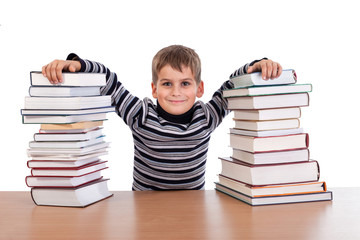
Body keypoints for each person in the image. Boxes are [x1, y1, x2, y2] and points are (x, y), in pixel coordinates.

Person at [42, 45, 282, 191]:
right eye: (167, 84)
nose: (176, 92)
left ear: (199, 89)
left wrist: (257, 65)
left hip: (193, 206)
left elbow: (232, 86)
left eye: (185, 83)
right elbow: (108, 81)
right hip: (144, 206)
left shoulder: (206, 117)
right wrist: (76, 63)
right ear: (155, 89)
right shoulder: (141, 114)